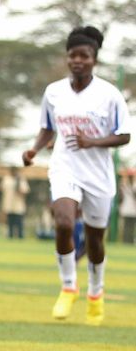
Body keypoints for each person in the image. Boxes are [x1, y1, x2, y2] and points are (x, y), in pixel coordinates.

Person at [22, 25, 131, 326]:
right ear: (67, 58)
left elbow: (124, 136)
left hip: (98, 175)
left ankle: (96, 293)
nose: (77, 61)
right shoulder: (54, 92)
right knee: (64, 222)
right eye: (72, 56)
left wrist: (92, 142)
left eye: (84, 56)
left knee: (95, 242)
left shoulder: (109, 95)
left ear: (94, 59)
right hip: (64, 166)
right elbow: (47, 127)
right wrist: (34, 149)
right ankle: (68, 286)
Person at [1, 166, 29, 239]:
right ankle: (10, 238)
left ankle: (20, 238)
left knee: (19, 225)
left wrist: (18, 183)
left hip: (18, 206)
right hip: (9, 205)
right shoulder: (6, 179)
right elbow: (1, 189)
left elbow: (25, 192)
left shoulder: (21, 179)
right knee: (10, 224)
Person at [120, 171, 136, 244]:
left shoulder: (124, 185)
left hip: (128, 208)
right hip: (131, 208)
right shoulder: (128, 185)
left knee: (127, 226)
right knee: (129, 226)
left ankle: (127, 240)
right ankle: (128, 240)